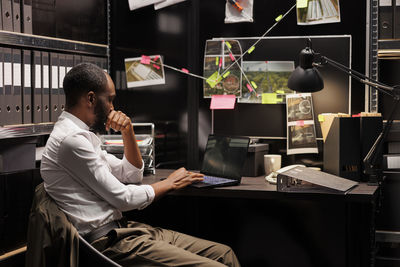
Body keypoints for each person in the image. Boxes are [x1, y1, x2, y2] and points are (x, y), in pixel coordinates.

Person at [40, 63, 240, 267]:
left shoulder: (82, 136)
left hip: (125, 230)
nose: (112, 107)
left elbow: (131, 175)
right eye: (109, 99)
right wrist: (169, 183)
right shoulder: (70, 140)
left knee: (224, 254)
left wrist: (128, 131)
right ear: (91, 98)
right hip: (109, 243)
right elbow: (123, 198)